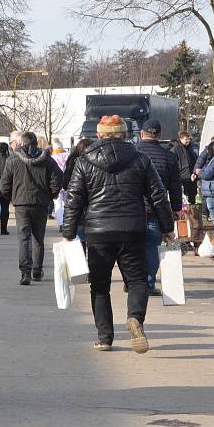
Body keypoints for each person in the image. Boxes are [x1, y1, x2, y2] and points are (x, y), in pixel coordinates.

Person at [62, 115, 174, 354]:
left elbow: (73, 200)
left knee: (100, 286)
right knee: (136, 281)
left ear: (99, 135)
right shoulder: (141, 160)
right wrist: (167, 228)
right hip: (133, 230)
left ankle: (104, 338)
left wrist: (69, 233)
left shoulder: (84, 161)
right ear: (125, 134)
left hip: (98, 232)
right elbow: (157, 196)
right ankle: (135, 319)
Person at [0, 132, 63, 285]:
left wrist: (13, 197)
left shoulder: (13, 159)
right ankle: (37, 270)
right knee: (38, 239)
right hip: (40, 202)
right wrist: (51, 195)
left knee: (23, 238)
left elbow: (4, 184)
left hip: (21, 203)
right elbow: (58, 178)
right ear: (36, 143)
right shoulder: (47, 159)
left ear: (22, 143)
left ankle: (25, 272)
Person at [136, 119, 183, 296]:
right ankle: (148, 283)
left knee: (133, 248)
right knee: (152, 247)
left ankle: (132, 282)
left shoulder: (134, 153)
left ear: (142, 134)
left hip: (133, 209)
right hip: (156, 209)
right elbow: (175, 186)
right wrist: (177, 208)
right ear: (160, 136)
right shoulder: (169, 157)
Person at [62, 138, 94, 246]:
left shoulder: (72, 161)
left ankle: (83, 261)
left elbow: (65, 184)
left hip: (78, 206)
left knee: (80, 240)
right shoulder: (95, 162)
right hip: (92, 207)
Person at [171, 131, 199, 206]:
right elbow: (172, 162)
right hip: (182, 176)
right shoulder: (175, 149)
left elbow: (195, 160)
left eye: (189, 139)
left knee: (192, 196)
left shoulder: (191, 148)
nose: (188, 141)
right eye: (186, 139)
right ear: (181, 139)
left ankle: (192, 213)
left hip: (192, 176)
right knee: (183, 197)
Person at [50, 139, 70, 231]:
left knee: (58, 204)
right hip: (67, 182)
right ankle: (68, 222)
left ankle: (61, 223)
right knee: (68, 203)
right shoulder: (68, 156)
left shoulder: (52, 157)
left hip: (57, 184)